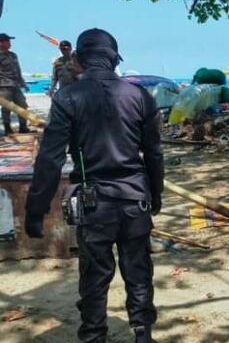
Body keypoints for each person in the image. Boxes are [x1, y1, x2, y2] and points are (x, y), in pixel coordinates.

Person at [24, 29, 164, 343]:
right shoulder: (140, 96)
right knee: (138, 271)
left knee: (94, 277)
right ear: (113, 60)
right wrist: (156, 195)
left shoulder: (67, 97)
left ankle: (93, 335)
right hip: (135, 199)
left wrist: (36, 210)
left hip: (94, 205)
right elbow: (154, 153)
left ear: (81, 59)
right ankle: (143, 334)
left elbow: (50, 159)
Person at [0, 33, 30, 135]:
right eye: (7, 41)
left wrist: (23, 83)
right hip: (4, 85)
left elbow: (18, 70)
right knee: (6, 107)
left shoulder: (13, 55)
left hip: (16, 85)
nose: (9, 43)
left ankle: (23, 126)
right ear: (1, 43)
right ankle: (7, 128)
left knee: (22, 105)